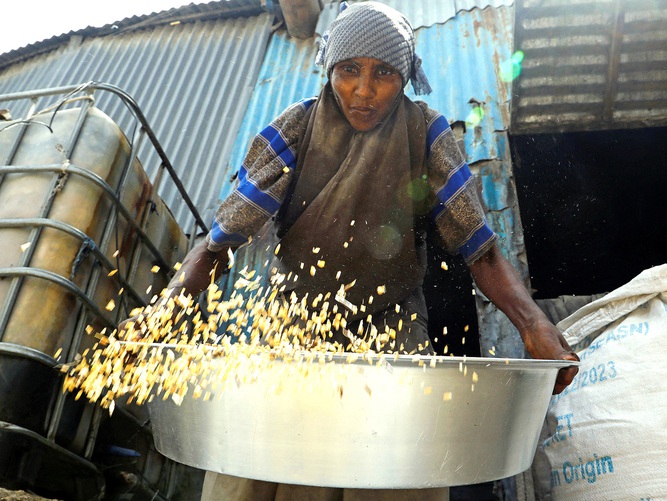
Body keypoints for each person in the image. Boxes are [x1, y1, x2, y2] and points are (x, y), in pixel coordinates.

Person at [134, 3, 579, 499]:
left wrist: (534, 324)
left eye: (384, 74)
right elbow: (220, 243)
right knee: (259, 464)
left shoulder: (425, 133)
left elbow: (481, 251)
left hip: (392, 326)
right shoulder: (296, 129)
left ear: (406, 77)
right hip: (293, 320)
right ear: (330, 68)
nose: (364, 92)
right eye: (349, 71)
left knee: (395, 469)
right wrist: (160, 315)